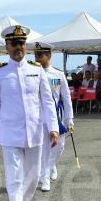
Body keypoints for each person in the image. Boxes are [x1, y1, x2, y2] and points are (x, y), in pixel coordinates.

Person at [0, 25, 58, 201]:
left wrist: (53, 127)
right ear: (6, 47)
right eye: (14, 43)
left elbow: (47, 101)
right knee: (14, 181)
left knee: (34, 177)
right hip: (9, 135)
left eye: (21, 43)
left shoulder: (37, 70)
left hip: (35, 133)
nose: (19, 47)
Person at [34, 42, 74, 192]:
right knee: (43, 149)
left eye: (40, 55)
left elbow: (66, 97)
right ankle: (44, 179)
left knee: (59, 147)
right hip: (39, 116)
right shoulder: (32, 73)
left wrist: (69, 119)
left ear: (48, 56)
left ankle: (51, 165)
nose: (37, 58)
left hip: (57, 116)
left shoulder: (58, 74)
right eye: (36, 55)